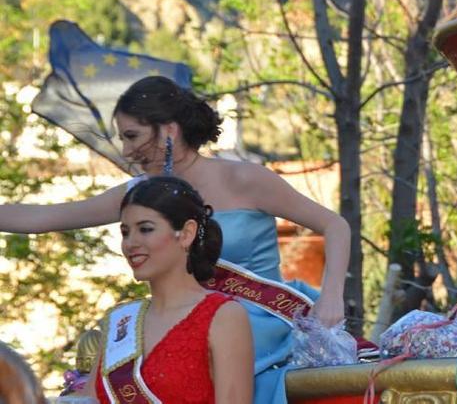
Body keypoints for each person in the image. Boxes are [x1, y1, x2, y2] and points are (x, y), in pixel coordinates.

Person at [0, 76, 351, 403]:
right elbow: (47, 216)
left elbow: (334, 225)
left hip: (258, 326)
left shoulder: (245, 179)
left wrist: (332, 296)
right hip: (181, 318)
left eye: (133, 136)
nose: (125, 151)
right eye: (123, 138)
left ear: (169, 130)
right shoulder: (141, 195)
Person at [76, 176, 252, 403]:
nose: (130, 243)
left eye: (145, 229)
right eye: (125, 232)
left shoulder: (224, 316)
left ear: (187, 233)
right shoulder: (120, 322)